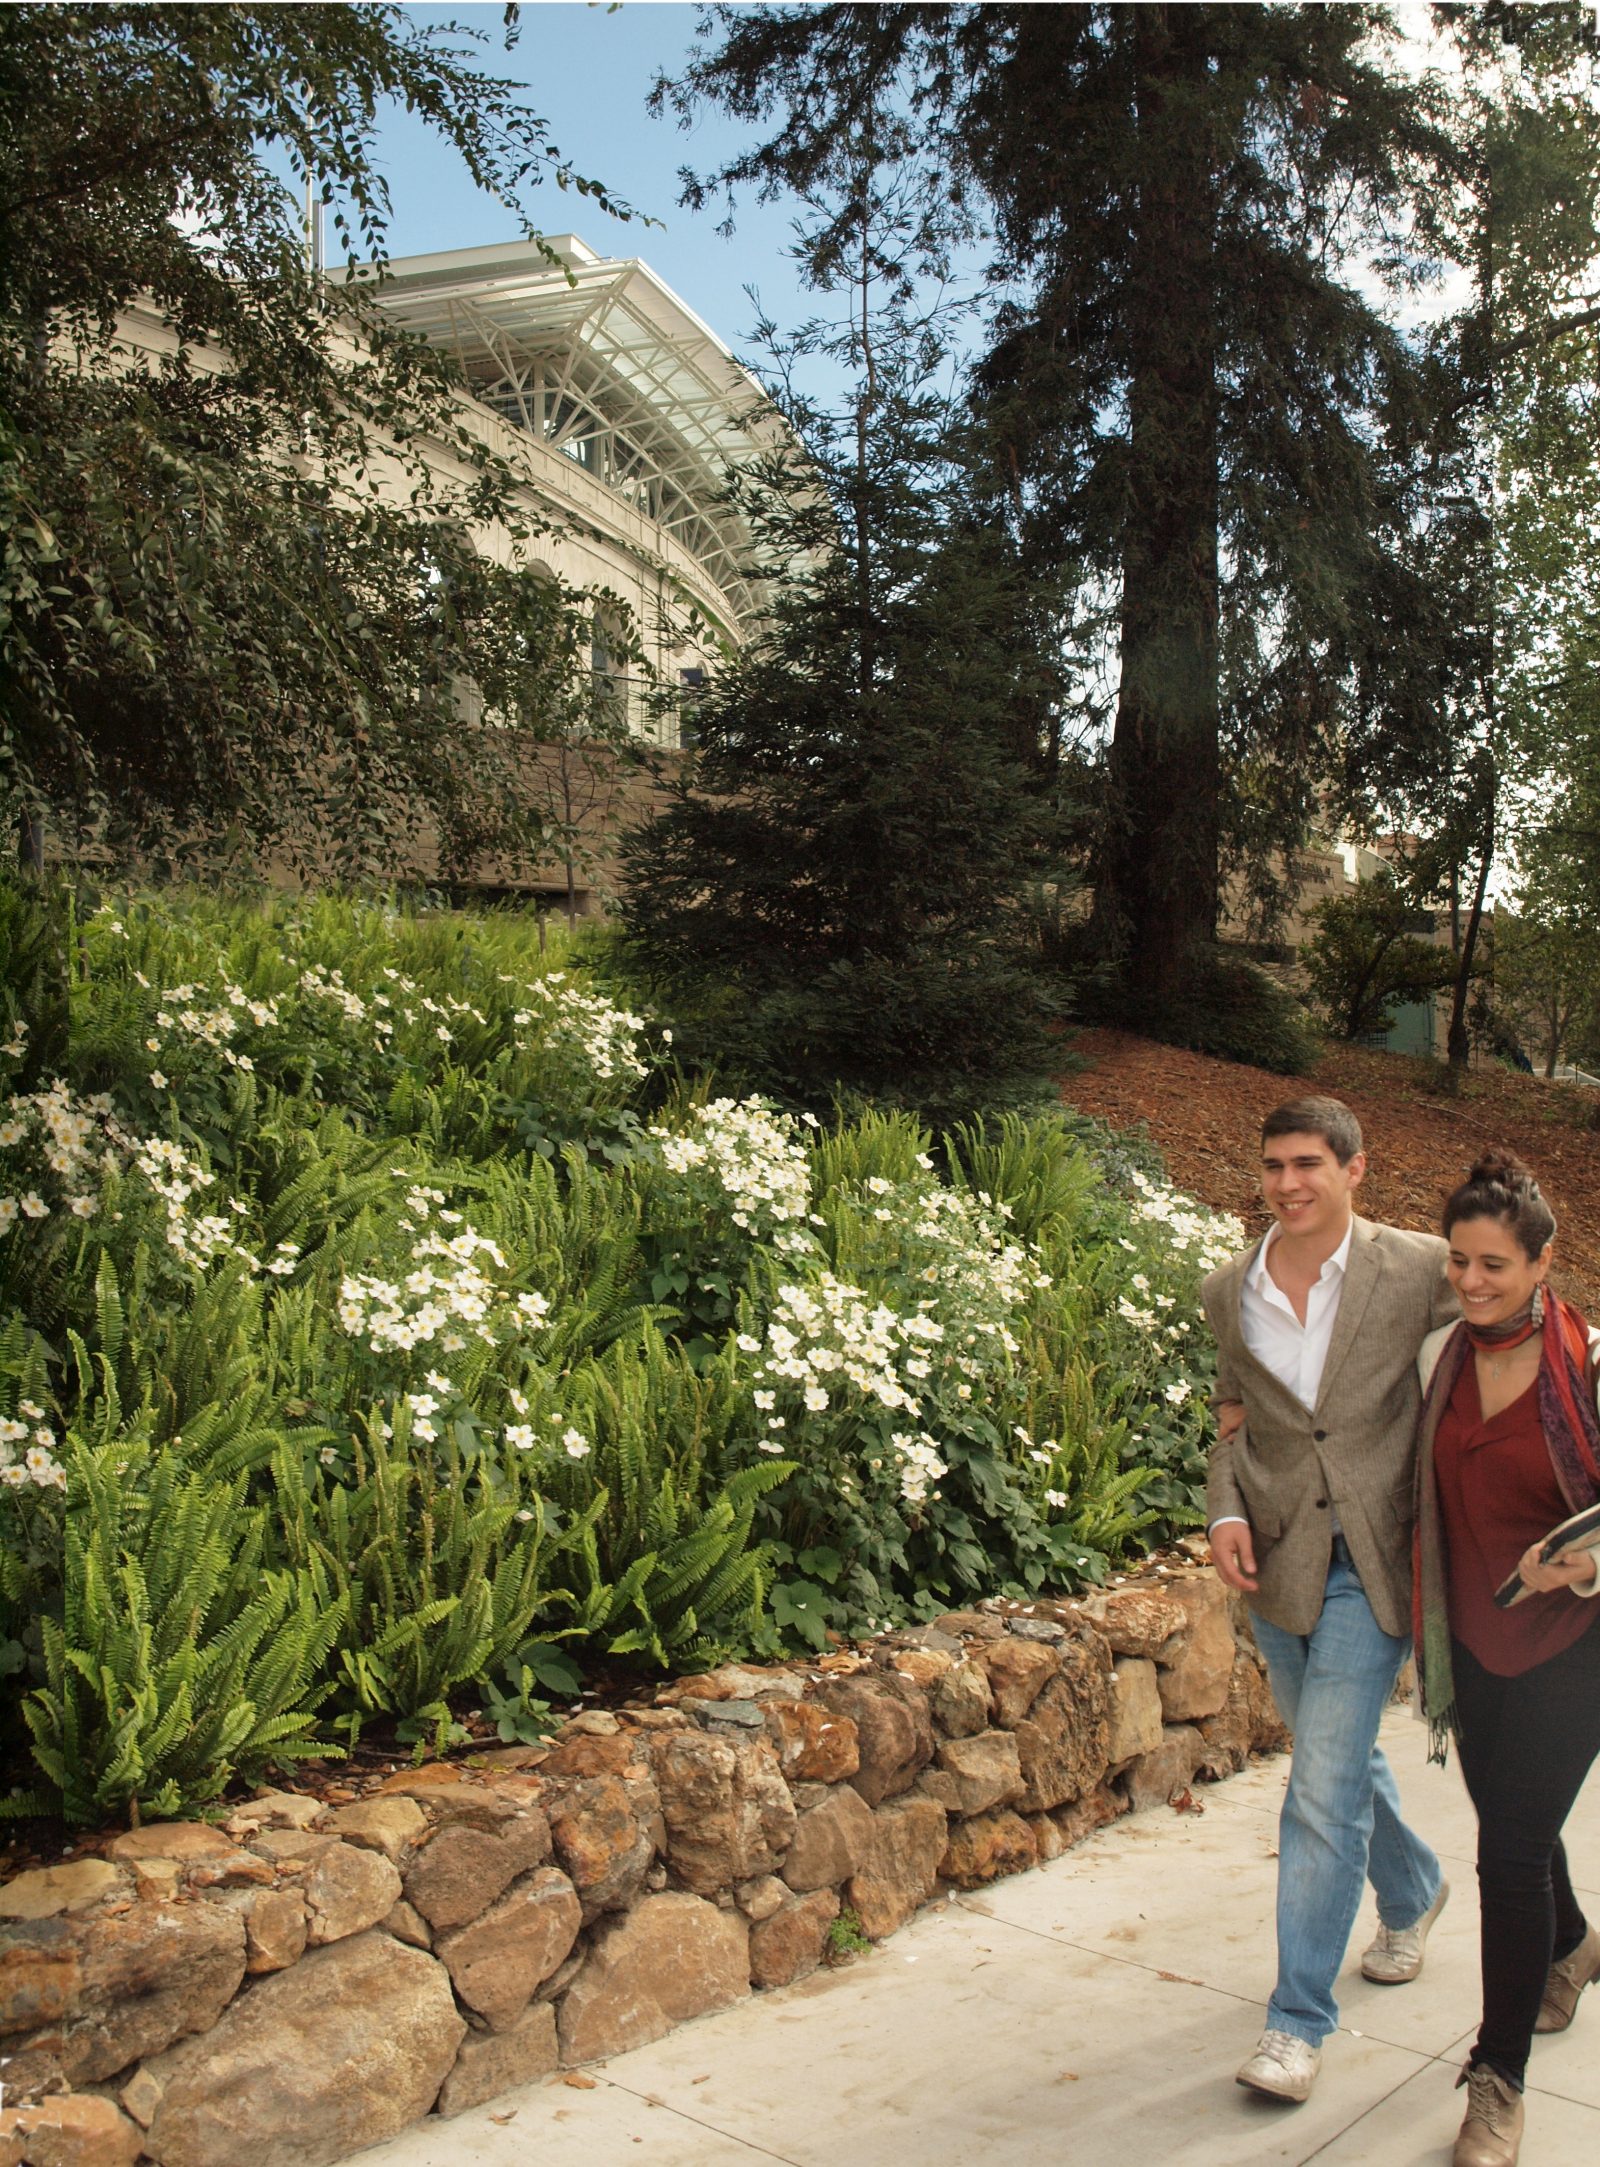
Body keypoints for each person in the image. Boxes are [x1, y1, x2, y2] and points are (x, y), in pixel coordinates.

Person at [1203, 1095, 1457, 2104]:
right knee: (1332, 1757)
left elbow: (1512, 1333)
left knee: (1315, 1788)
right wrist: (1223, 1511)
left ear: (1355, 1168)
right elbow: (1233, 1422)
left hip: (1379, 1556)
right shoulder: (1230, 1291)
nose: (1287, 1183)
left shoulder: (1423, 1265)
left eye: (1307, 1162)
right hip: (1277, 1558)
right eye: (1272, 1165)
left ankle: (1294, 2022)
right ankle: (1414, 1887)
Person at [1414, 1153, 1600, 2167]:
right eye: (1458, 1262)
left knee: (1507, 1851)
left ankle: (1497, 2081)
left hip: (1576, 1643)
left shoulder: (1589, 1363)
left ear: (1540, 1261)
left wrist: (1581, 1562)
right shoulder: (1435, 1358)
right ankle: (1573, 1939)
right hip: (1472, 1635)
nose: (1473, 1281)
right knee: (1511, 1828)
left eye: (1493, 1263)